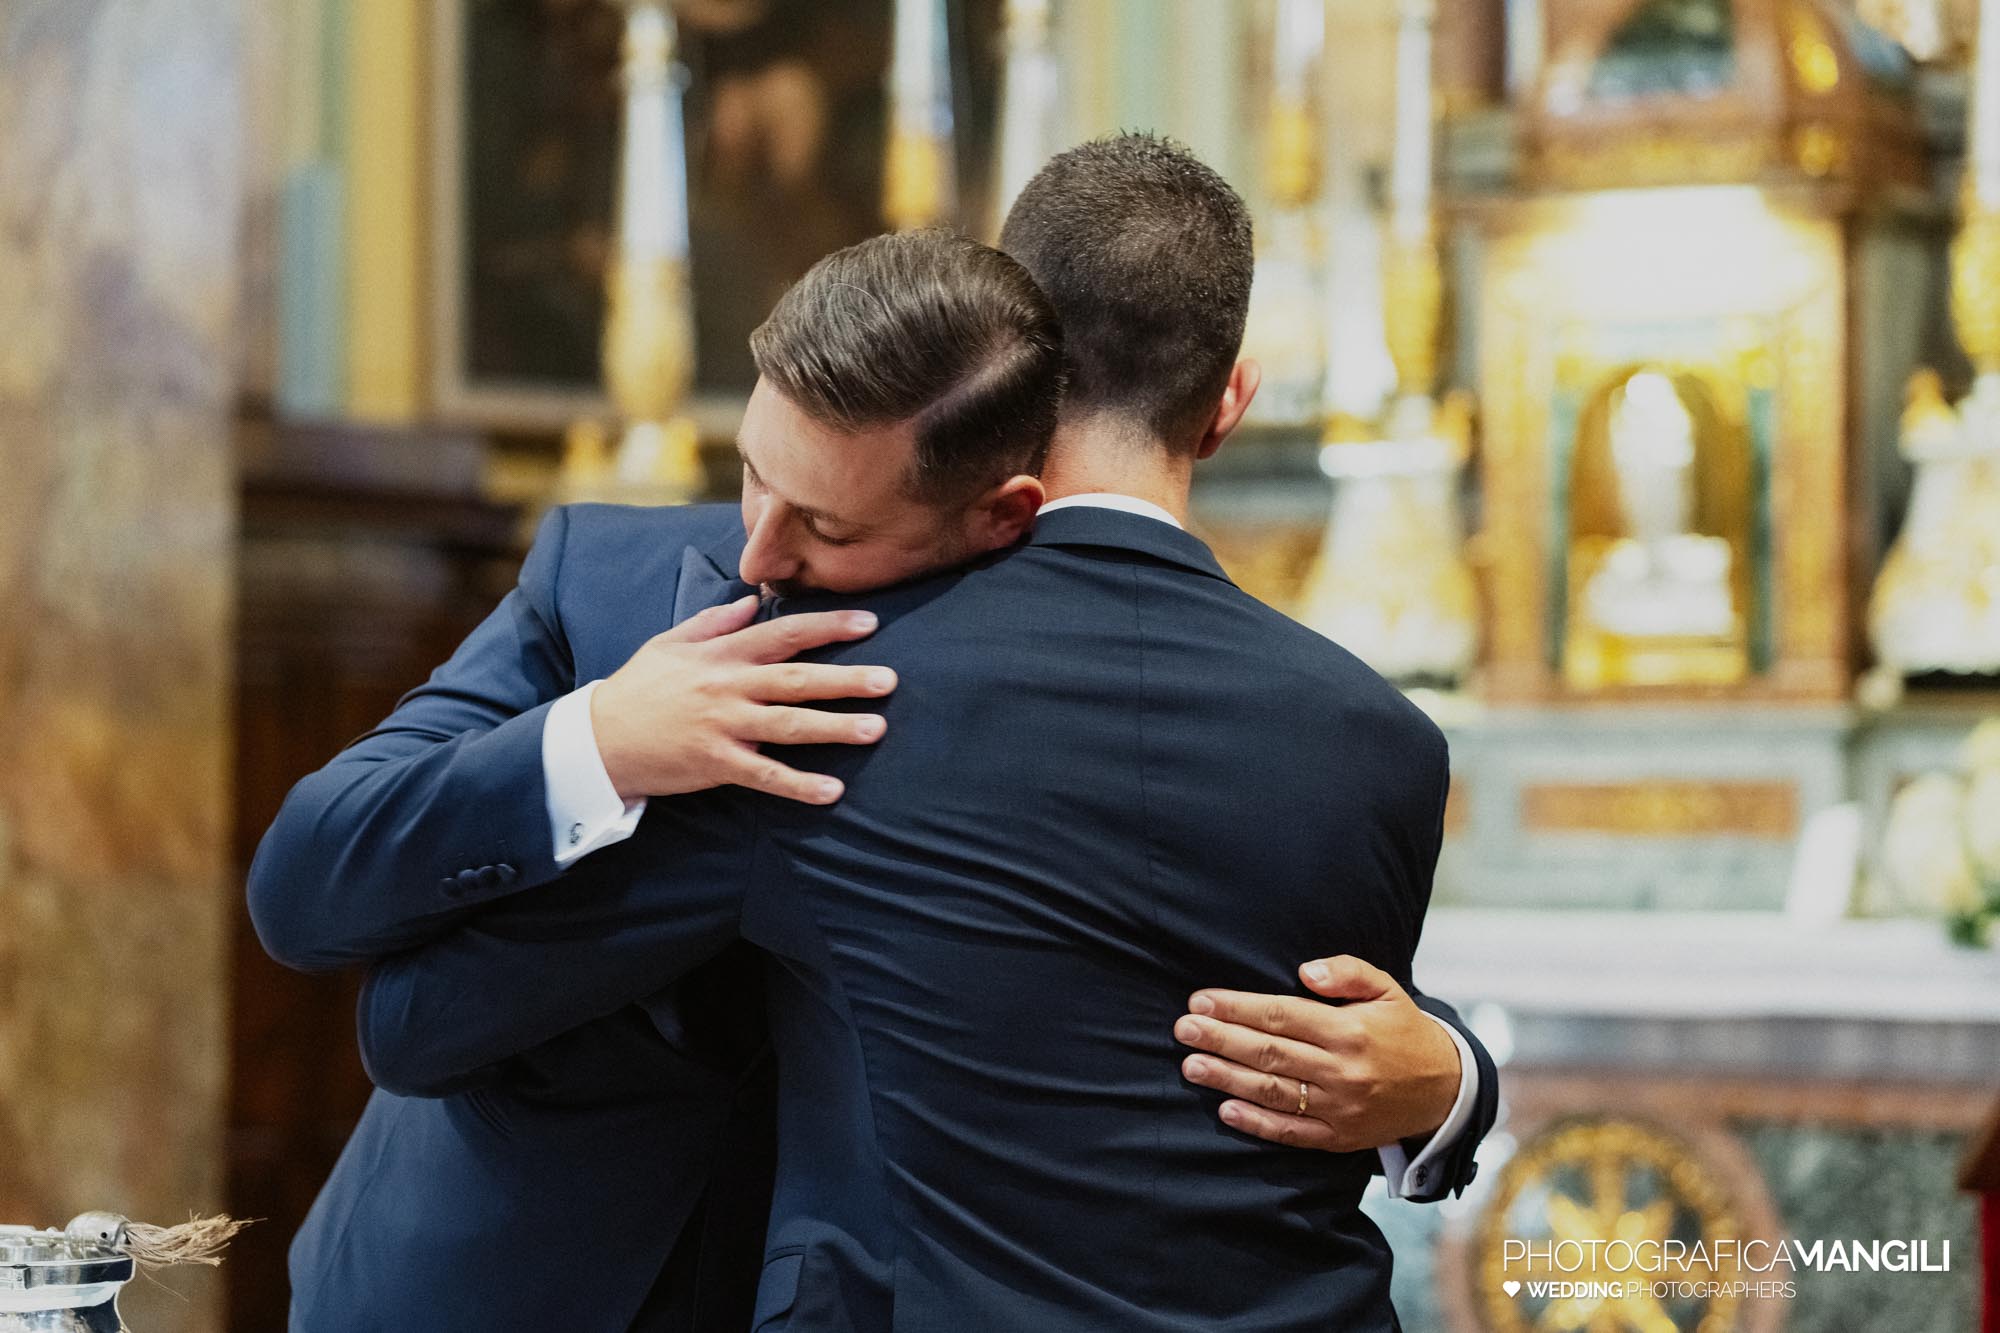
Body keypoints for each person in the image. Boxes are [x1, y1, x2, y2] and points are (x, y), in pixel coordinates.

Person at [348, 140, 1493, 1329]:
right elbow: (1349, 1039)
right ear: (1226, 404)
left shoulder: (819, 693)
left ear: (997, 367)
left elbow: (424, 1020)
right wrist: (1454, 1080)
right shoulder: (1384, 739)